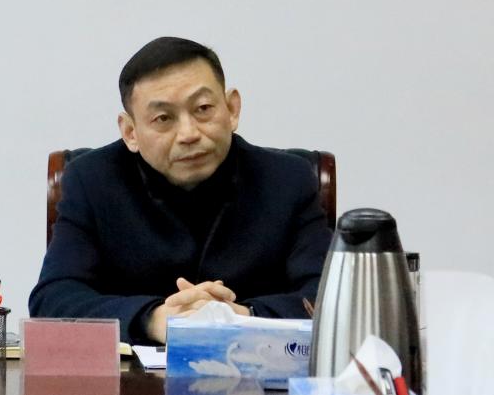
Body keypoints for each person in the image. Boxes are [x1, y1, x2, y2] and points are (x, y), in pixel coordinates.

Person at [29, 37, 332, 344]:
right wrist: (153, 319)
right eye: (163, 118)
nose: (188, 133)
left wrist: (241, 317)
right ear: (130, 132)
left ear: (232, 109)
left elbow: (328, 297)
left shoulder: (288, 180)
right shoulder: (92, 181)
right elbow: (53, 299)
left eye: (203, 108)